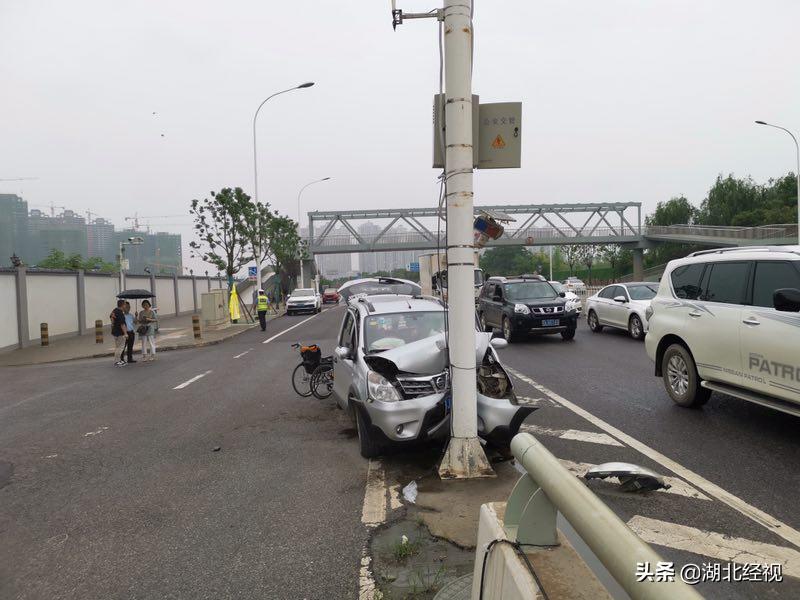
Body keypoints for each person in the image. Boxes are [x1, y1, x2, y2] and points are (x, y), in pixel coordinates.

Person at [110, 299, 128, 367]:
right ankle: (117, 361)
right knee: (120, 347)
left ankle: (118, 360)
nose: (125, 306)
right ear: (122, 305)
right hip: (120, 333)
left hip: (115, 332)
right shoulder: (120, 313)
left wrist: (113, 324)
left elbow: (111, 318)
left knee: (117, 347)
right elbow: (122, 324)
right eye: (125, 304)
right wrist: (125, 333)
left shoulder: (114, 311)